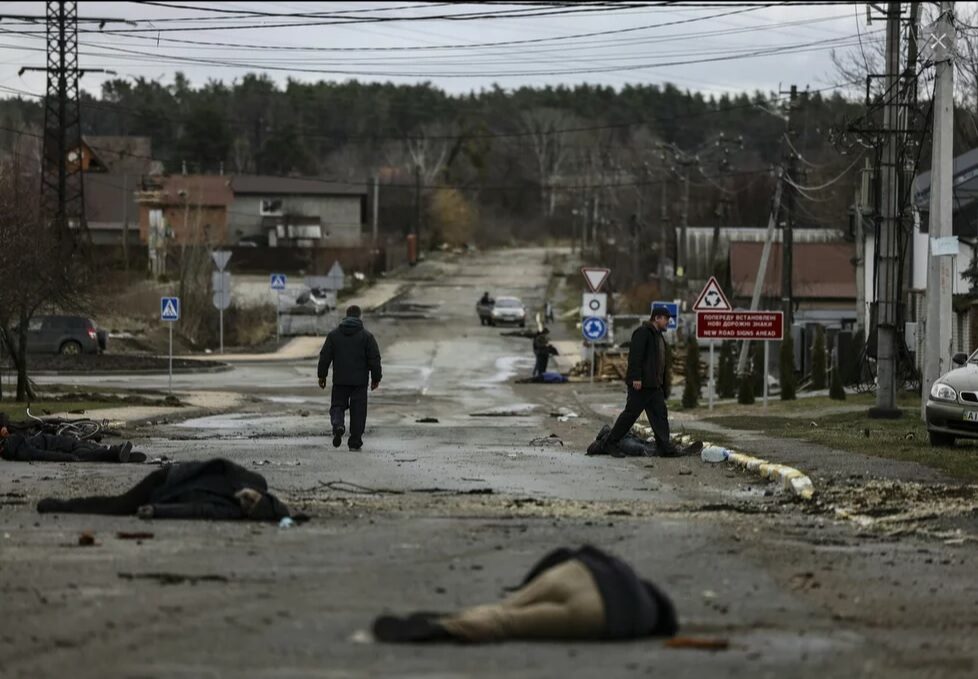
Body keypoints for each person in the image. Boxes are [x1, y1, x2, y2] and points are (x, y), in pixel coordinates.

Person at [372, 545, 678, 643]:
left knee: (506, 606)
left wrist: (525, 586)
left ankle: (472, 613)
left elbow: (566, 553)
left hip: (576, 573)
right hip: (598, 613)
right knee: (509, 624)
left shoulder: (625, 572)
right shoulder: (645, 618)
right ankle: (449, 628)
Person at [36, 458, 295, 521]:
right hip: (168, 479)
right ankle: (59, 505)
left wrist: (157, 510)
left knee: (120, 506)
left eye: (249, 507)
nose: (246, 503)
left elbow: (196, 510)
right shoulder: (252, 480)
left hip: (168, 488)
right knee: (119, 506)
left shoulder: (234, 510)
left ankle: (59, 505)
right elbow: (218, 464)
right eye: (252, 501)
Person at [603, 305, 678, 457]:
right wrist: (636, 377)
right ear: (657, 318)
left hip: (654, 385)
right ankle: (610, 443)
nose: (668, 323)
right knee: (630, 415)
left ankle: (664, 447)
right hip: (642, 385)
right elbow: (635, 357)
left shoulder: (657, 335)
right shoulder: (643, 332)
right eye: (666, 319)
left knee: (660, 414)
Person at [318, 304, 382, 451]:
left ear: (346, 316)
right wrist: (376, 378)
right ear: (360, 317)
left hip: (340, 380)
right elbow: (374, 359)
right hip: (359, 382)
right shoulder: (367, 337)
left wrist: (322, 375)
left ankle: (338, 424)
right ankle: (355, 442)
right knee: (358, 411)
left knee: (337, 406)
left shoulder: (334, 335)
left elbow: (325, 357)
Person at [0, 424, 144, 463]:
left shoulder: (13, 446)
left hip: (60, 444)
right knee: (85, 452)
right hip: (61, 444)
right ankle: (114, 453)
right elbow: (41, 454)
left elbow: (41, 454)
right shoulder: (15, 447)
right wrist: (66, 458)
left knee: (86, 452)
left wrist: (67, 457)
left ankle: (115, 453)